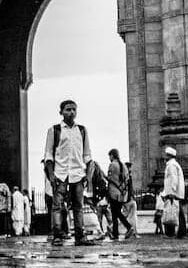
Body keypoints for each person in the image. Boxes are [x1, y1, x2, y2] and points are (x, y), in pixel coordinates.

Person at [43, 98, 93, 246]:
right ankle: (58, 235)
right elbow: (48, 155)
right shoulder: (54, 130)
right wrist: (51, 176)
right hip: (60, 173)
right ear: (61, 112)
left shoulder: (82, 130)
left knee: (78, 206)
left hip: (78, 173)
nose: (71, 112)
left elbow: (87, 155)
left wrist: (88, 176)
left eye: (74, 109)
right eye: (68, 109)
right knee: (57, 206)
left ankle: (80, 235)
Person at [105, 148, 134, 239]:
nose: (109, 158)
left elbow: (110, 179)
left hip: (114, 193)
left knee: (116, 213)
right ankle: (115, 233)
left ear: (112, 155)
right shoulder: (124, 166)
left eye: (109, 156)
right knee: (115, 213)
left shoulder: (112, 165)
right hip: (122, 194)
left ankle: (128, 227)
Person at [159, 145, 185, 237]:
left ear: (169, 155)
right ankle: (181, 231)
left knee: (172, 212)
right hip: (175, 191)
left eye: (166, 155)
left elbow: (173, 178)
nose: (164, 156)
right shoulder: (173, 164)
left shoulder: (171, 165)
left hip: (173, 192)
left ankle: (171, 233)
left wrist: (171, 192)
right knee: (178, 212)